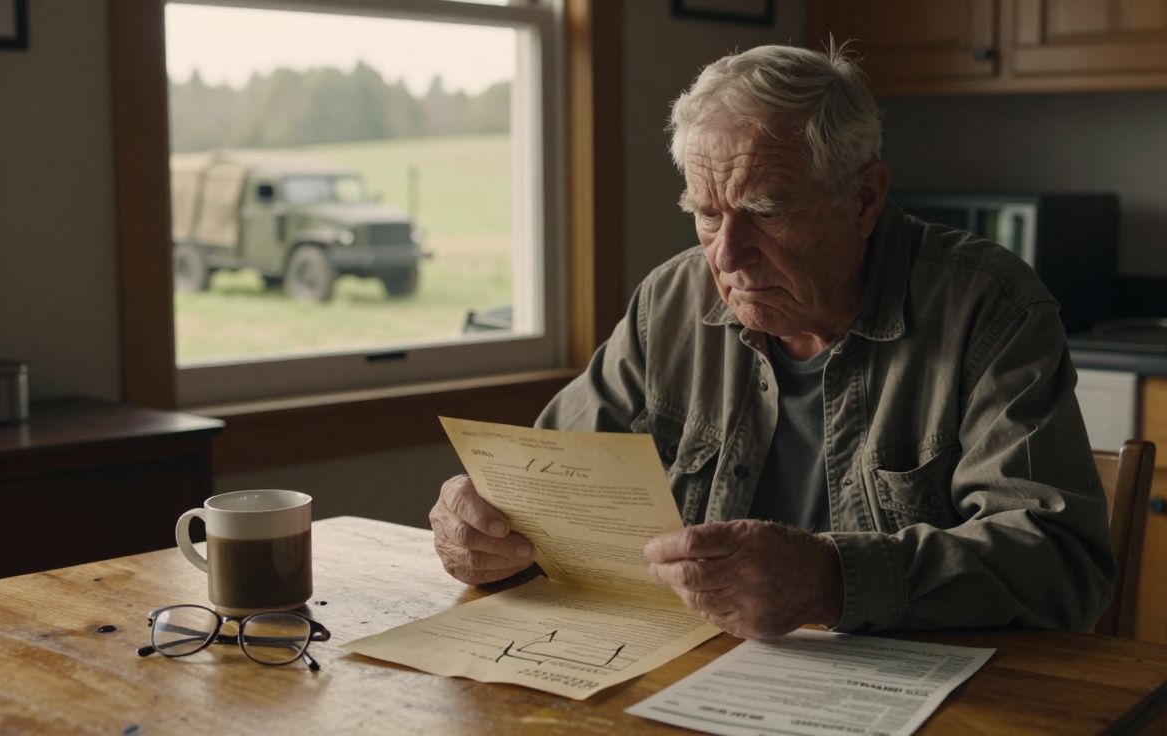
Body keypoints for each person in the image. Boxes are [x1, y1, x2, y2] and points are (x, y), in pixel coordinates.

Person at [429, 44, 1115, 640]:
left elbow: (1060, 564)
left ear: (865, 198)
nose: (727, 255)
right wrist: (487, 531)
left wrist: (830, 581)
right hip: (689, 670)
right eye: (706, 213)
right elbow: (545, 495)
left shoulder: (989, 307)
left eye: (765, 210)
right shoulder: (669, 303)